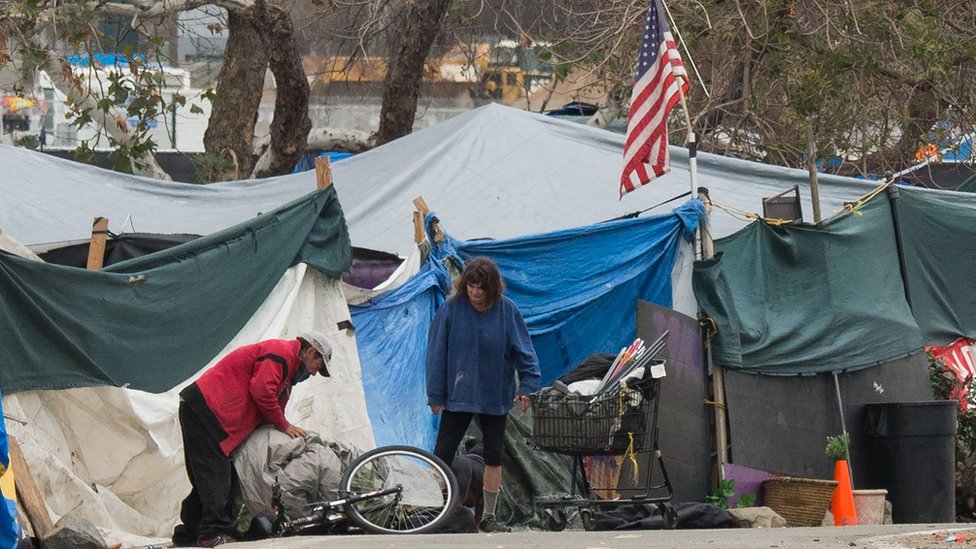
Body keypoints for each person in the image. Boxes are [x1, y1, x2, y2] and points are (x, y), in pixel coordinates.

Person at [172, 331, 333, 547]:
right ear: (311, 351)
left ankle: (187, 535)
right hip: (207, 410)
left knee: (215, 479)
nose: (314, 373)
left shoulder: (288, 378)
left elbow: (271, 413)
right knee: (217, 476)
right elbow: (261, 391)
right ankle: (212, 533)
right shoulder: (282, 352)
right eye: (318, 366)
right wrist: (284, 425)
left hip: (218, 417)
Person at [426, 257, 541, 533]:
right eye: (471, 287)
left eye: (481, 288)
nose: (475, 293)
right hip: (458, 392)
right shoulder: (452, 309)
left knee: (493, 455)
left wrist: (528, 385)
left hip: (494, 394)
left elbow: (525, 351)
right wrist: (435, 393)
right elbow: (436, 351)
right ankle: (429, 509)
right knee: (441, 454)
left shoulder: (507, 311)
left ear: (492, 288)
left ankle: (488, 516)